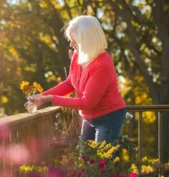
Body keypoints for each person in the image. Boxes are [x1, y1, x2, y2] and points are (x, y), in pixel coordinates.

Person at [27, 15, 126, 144]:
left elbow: (87, 103)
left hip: (109, 118)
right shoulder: (78, 55)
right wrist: (41, 97)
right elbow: (69, 83)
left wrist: (51, 99)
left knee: (101, 162)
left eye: (74, 40)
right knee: (84, 159)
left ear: (87, 41)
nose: (70, 44)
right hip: (89, 118)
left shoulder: (103, 64)